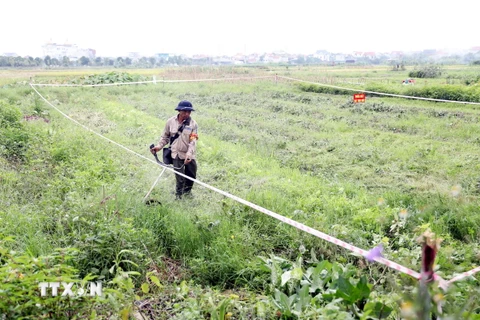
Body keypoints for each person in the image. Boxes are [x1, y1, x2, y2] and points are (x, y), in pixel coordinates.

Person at [150, 100, 199, 199]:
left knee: (191, 176)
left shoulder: (193, 124)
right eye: (185, 111)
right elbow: (165, 137)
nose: (187, 114)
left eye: (189, 112)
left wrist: (189, 155)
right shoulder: (170, 122)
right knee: (180, 178)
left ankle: (187, 193)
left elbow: (193, 141)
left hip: (189, 154)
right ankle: (179, 196)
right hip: (176, 154)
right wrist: (159, 146)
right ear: (179, 110)